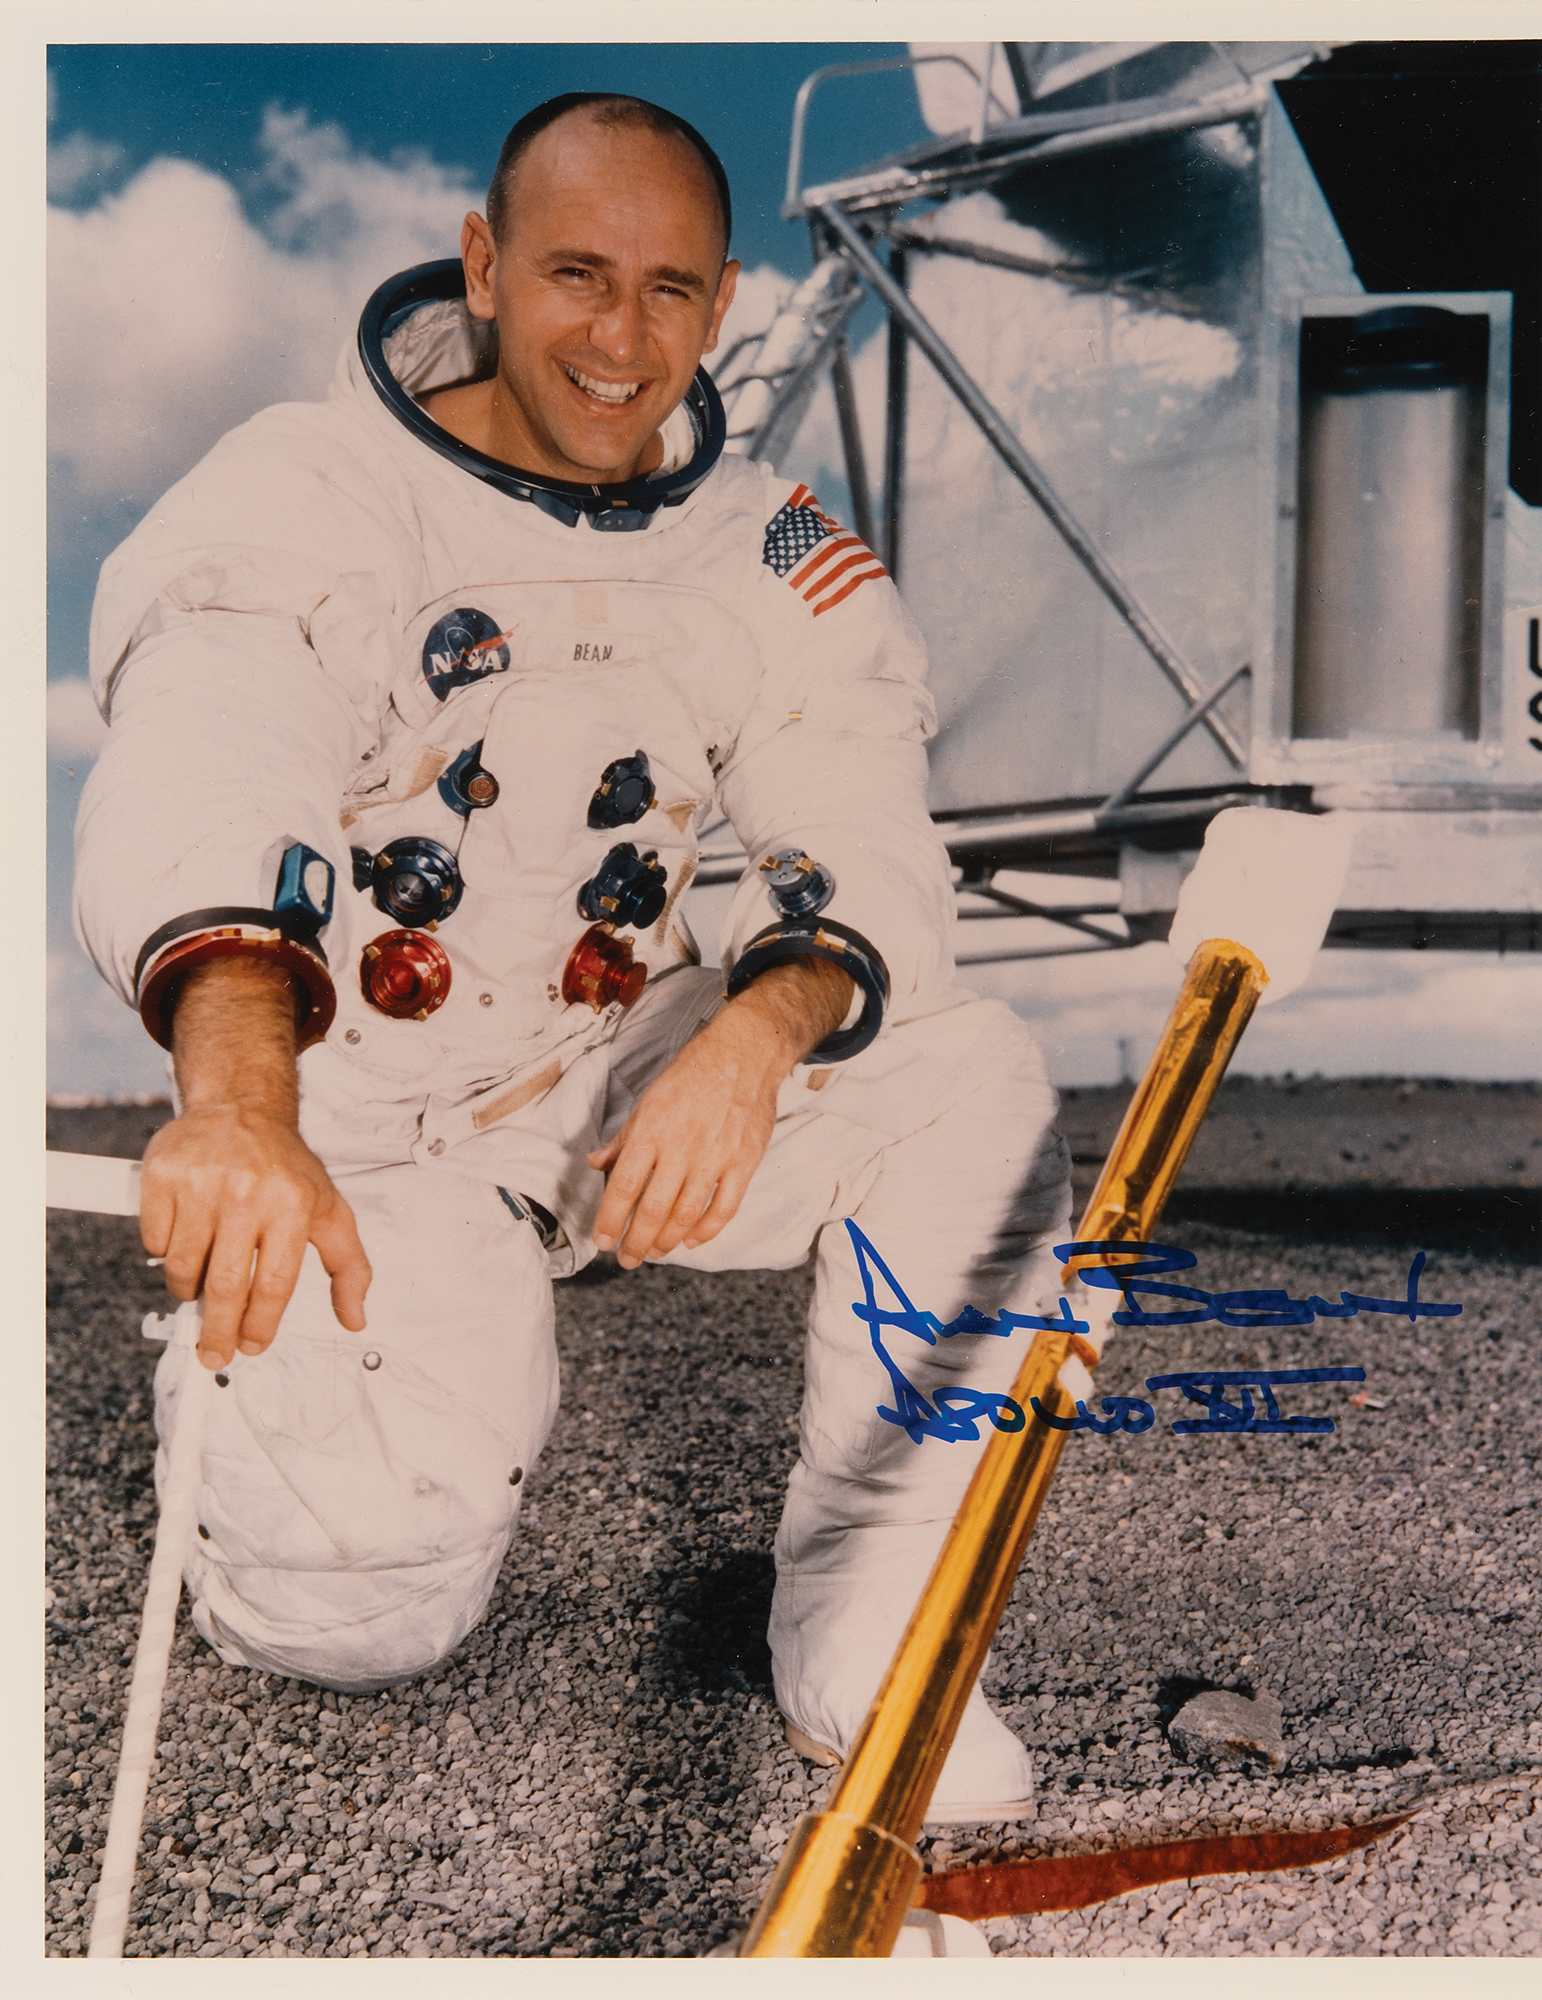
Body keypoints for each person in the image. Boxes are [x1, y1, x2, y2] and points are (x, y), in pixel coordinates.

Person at [75, 94, 1073, 1826]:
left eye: (670, 290)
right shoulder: (310, 486)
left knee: (964, 1082)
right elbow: (213, 755)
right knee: (357, 1609)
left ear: (724, 302)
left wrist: (761, 1028)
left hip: (604, 1074)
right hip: (357, 1120)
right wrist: (238, 1105)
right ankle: (264, 1412)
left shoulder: (769, 543)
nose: (622, 340)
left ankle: (875, 1616)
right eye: (576, 276)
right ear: (482, 265)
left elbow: (858, 804)